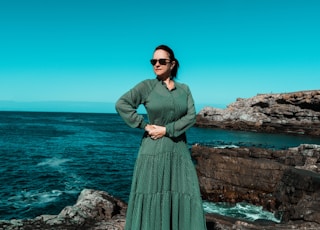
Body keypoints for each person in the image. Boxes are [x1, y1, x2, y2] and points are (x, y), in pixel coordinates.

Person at [115, 45, 207, 230]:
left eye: (161, 61)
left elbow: (191, 117)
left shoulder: (184, 89)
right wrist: (144, 125)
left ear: (172, 64)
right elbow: (122, 104)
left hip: (178, 150)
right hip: (153, 149)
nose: (156, 64)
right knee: (152, 193)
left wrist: (167, 130)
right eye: (153, 61)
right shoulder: (147, 86)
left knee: (184, 191)